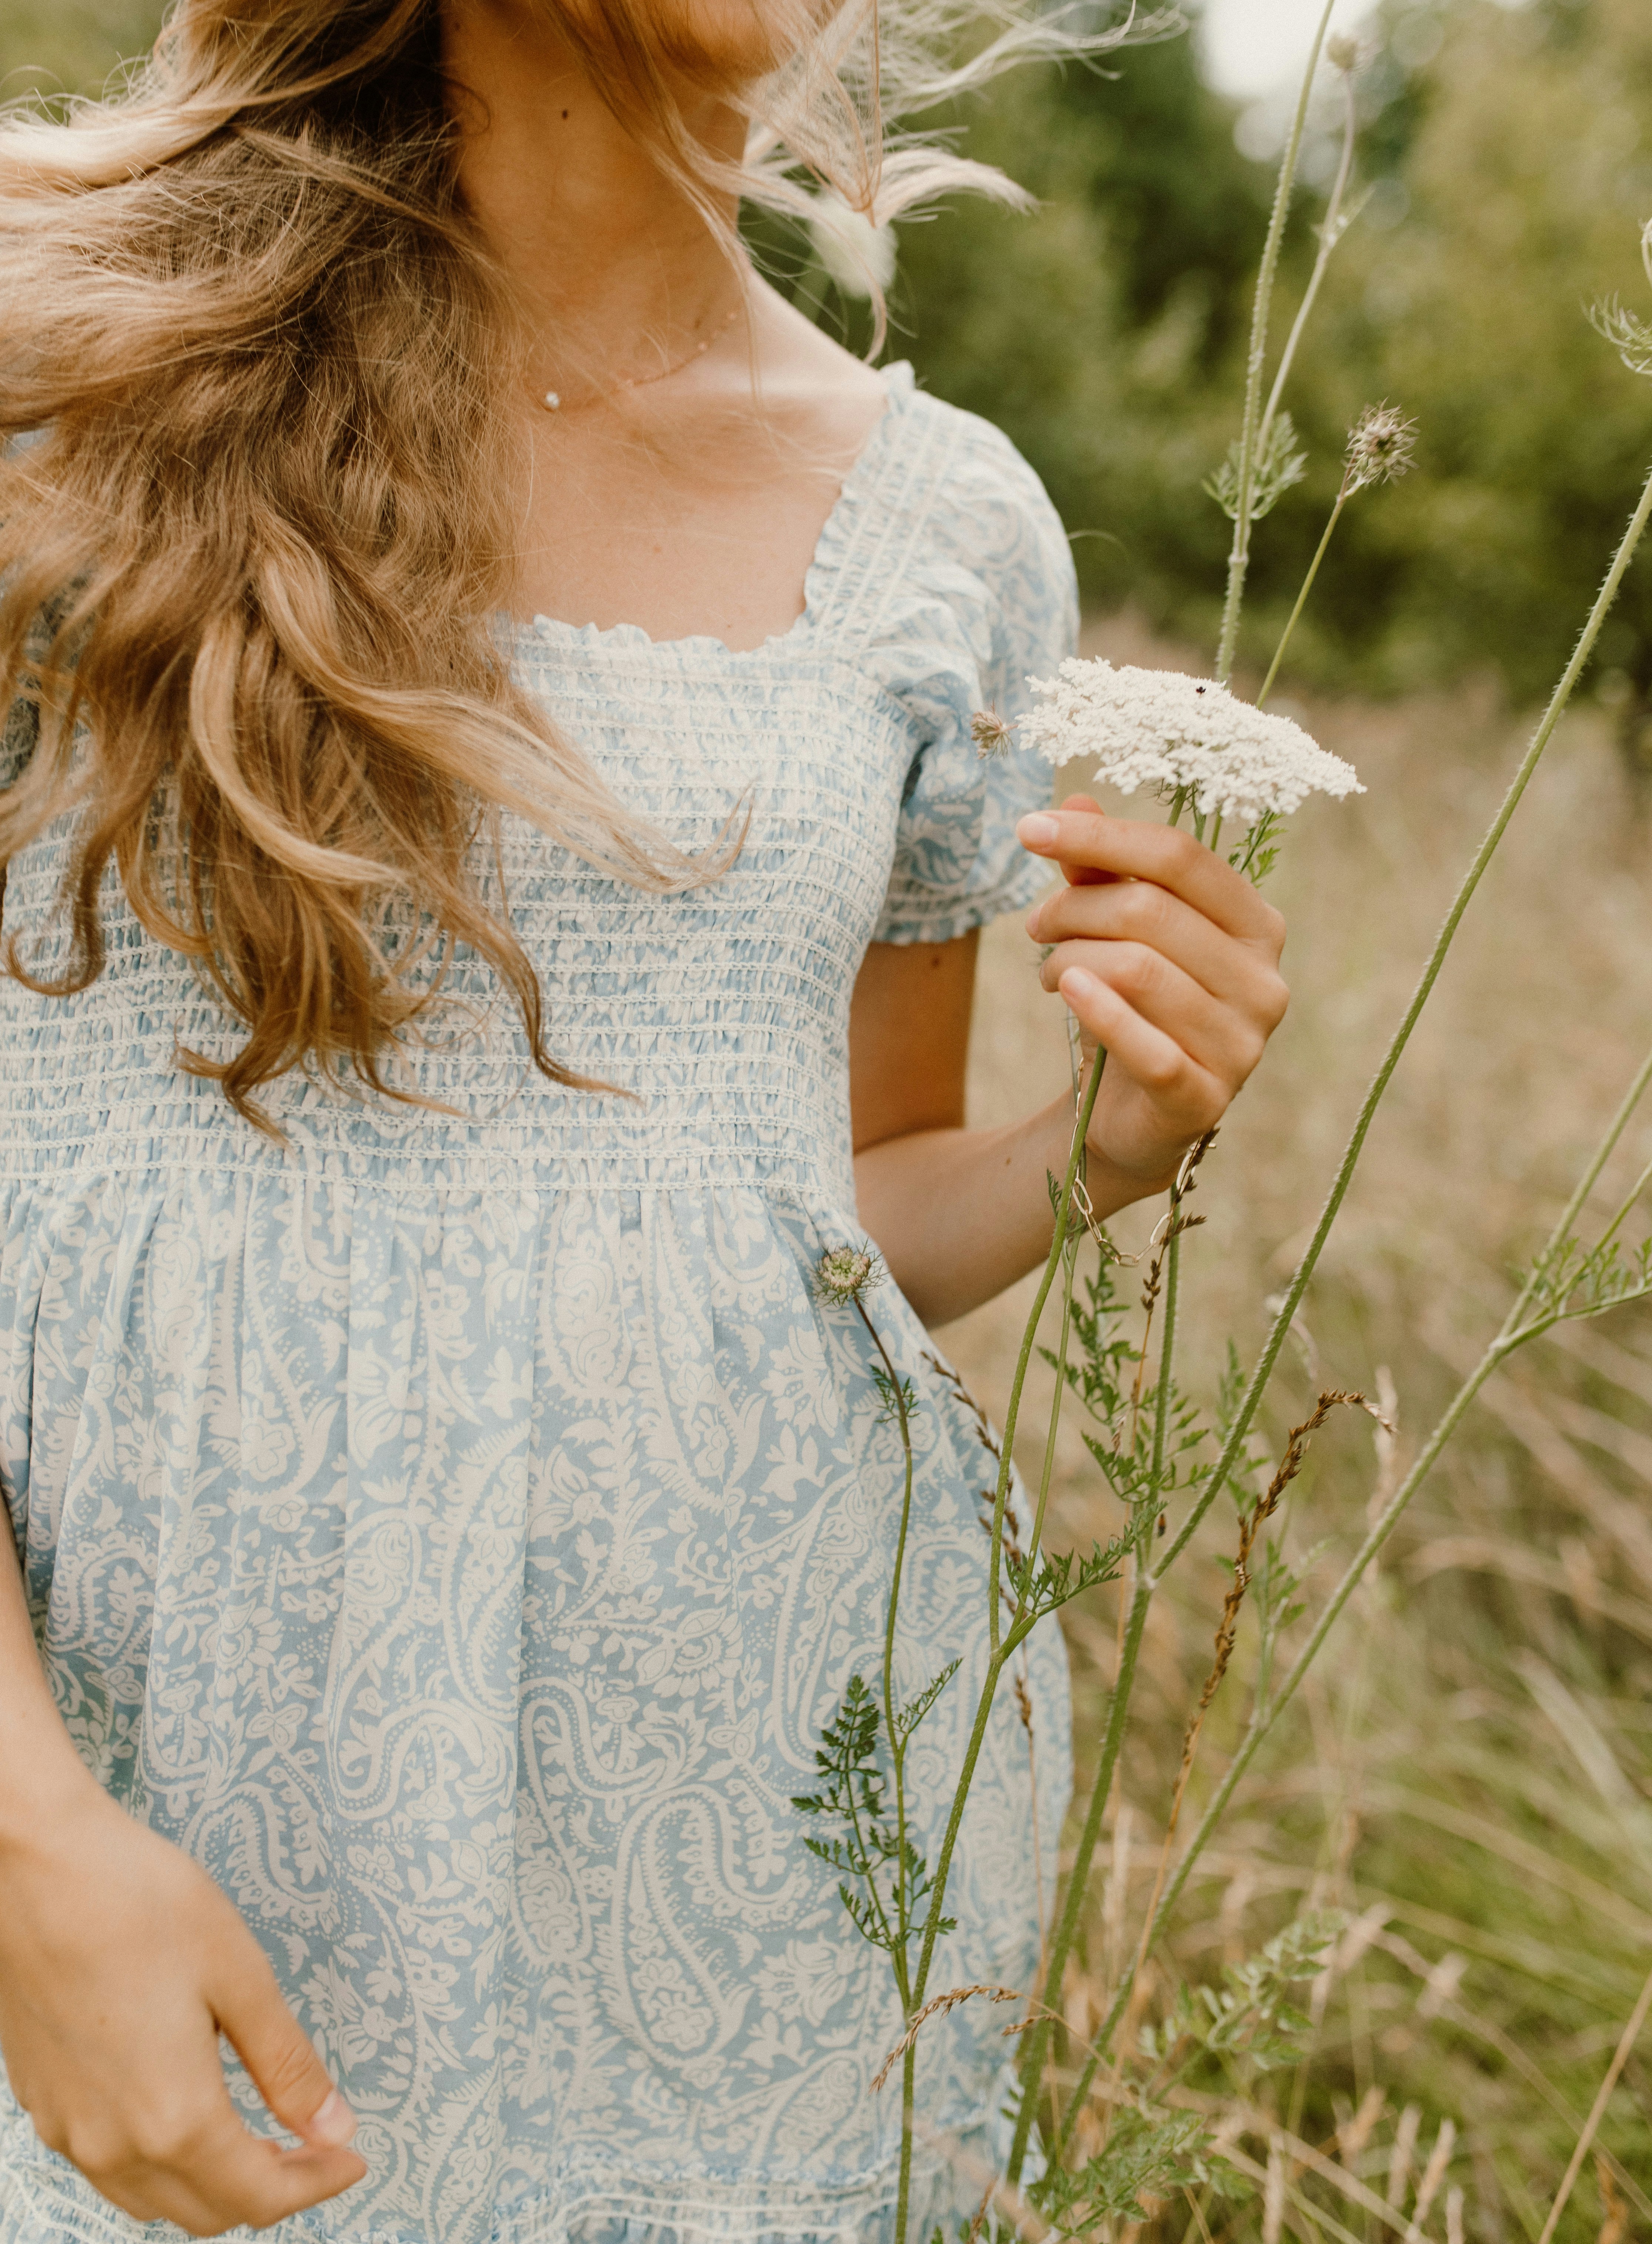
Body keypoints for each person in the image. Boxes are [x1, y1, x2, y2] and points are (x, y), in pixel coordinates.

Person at [0, 3, 1289, 2240]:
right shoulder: (52, 356)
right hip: (143, 1848)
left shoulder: (945, 525)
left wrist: (1098, 1149)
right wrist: (29, 1843)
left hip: (748, 1916)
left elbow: (827, 1212)